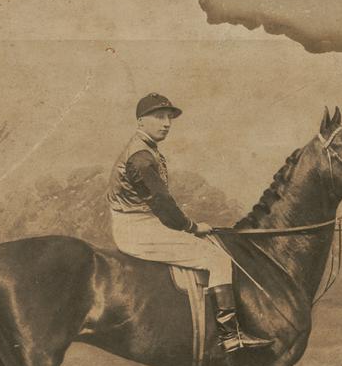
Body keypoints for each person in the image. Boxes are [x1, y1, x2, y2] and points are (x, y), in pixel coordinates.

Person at [106, 93, 271, 352]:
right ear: (140, 121)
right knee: (218, 259)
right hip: (137, 228)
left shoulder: (146, 149)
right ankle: (230, 336)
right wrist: (192, 227)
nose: (166, 123)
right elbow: (162, 204)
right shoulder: (140, 157)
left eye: (169, 118)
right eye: (159, 117)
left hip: (142, 223)